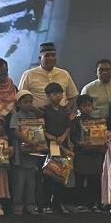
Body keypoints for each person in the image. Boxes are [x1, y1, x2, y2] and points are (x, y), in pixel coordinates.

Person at [8, 90, 43, 215]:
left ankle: (30, 205)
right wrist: (29, 141)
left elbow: (39, 128)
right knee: (19, 183)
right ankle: (18, 206)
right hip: (20, 155)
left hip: (31, 156)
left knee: (31, 184)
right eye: (25, 102)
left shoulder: (34, 116)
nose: (29, 104)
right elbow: (15, 131)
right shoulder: (16, 115)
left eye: (30, 102)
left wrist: (35, 143)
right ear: (18, 103)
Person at [70, 94, 105, 212]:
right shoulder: (76, 121)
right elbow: (73, 136)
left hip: (95, 153)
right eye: (84, 106)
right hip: (81, 153)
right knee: (80, 179)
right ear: (79, 107)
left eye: (90, 105)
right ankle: (79, 203)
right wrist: (80, 143)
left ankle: (92, 203)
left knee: (94, 180)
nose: (87, 108)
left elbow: (101, 136)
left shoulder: (97, 121)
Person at [18, 42, 79, 110]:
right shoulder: (28, 74)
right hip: (37, 115)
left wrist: (66, 110)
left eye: (53, 55)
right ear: (40, 58)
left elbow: (72, 96)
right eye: (47, 55)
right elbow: (20, 97)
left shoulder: (64, 74)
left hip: (61, 114)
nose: (51, 58)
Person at [41, 82, 72, 214]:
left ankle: (58, 204)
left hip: (62, 145)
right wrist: (51, 137)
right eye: (54, 94)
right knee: (48, 175)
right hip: (49, 146)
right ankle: (46, 204)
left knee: (62, 175)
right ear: (48, 96)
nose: (58, 96)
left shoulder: (65, 110)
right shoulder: (44, 110)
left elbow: (68, 126)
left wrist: (63, 137)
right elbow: (41, 128)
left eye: (60, 93)